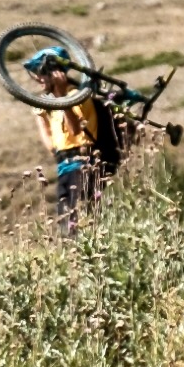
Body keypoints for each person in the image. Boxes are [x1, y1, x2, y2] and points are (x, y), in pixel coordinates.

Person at [24, 47, 105, 232]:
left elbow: (75, 129)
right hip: (64, 168)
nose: (39, 79)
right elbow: (51, 143)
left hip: (82, 166)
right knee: (66, 223)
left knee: (81, 222)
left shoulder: (75, 96)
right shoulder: (53, 104)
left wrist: (61, 96)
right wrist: (40, 117)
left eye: (41, 74)